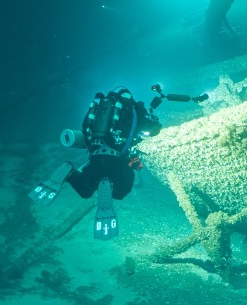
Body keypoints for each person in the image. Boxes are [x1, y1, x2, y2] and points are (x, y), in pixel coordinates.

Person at [29, 85, 206, 240]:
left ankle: (69, 170)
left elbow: (85, 129)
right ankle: (107, 185)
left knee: (85, 190)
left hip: (95, 157)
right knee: (121, 191)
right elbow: (153, 130)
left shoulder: (98, 110)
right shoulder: (135, 110)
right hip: (116, 159)